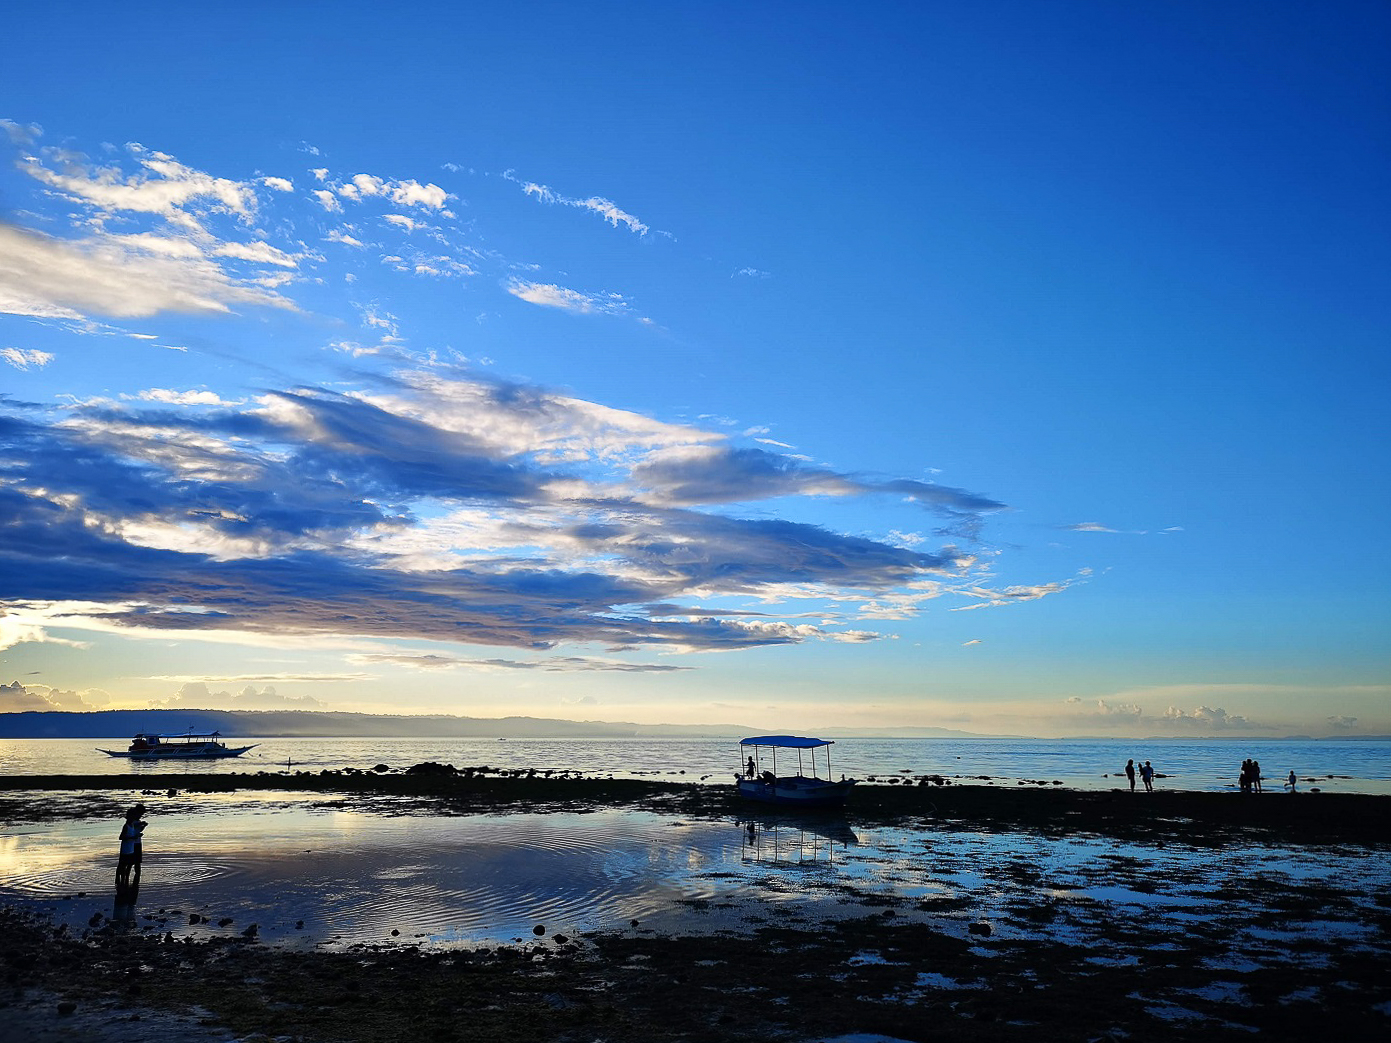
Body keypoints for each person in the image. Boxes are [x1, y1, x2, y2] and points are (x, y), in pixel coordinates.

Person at [115, 804, 147, 899]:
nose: (139, 816)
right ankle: (120, 880)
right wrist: (133, 837)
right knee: (123, 864)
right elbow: (122, 837)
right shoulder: (128, 825)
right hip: (129, 847)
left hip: (132, 846)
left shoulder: (133, 824)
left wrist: (142, 827)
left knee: (130, 864)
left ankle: (127, 881)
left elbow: (136, 831)